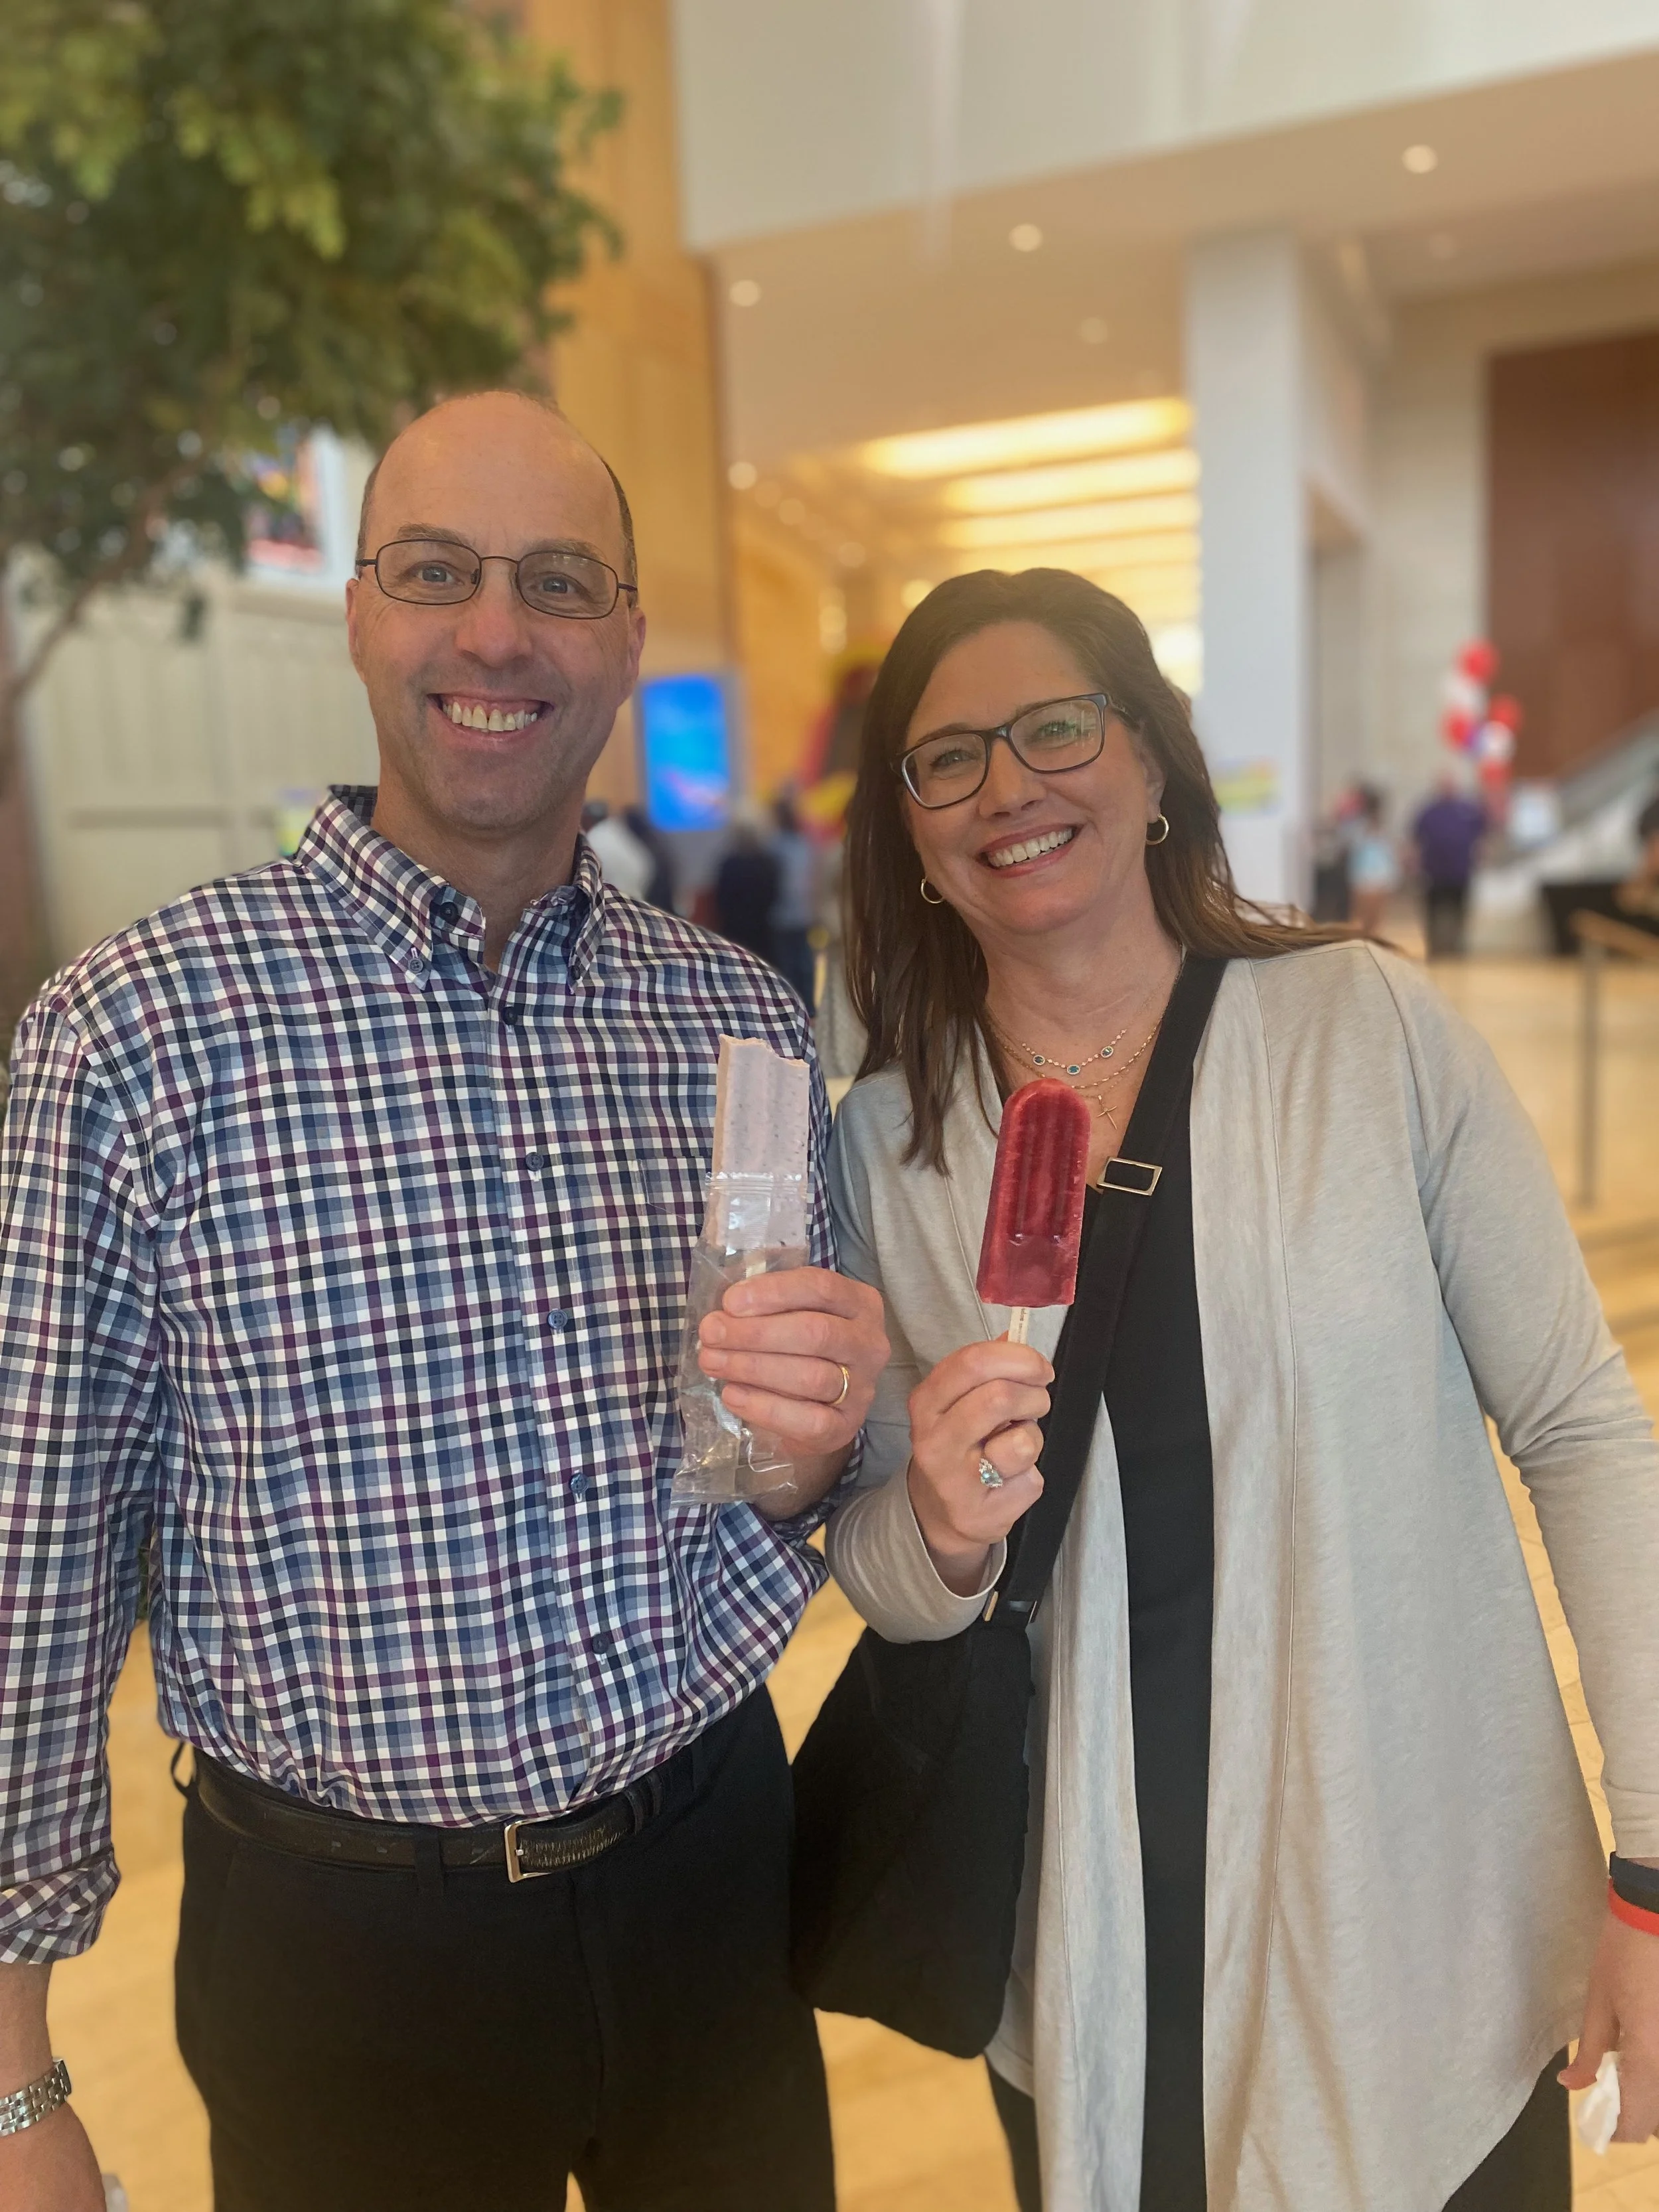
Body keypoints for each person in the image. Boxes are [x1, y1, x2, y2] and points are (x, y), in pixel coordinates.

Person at [0, 390, 889, 2212]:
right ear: (357, 609)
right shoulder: (134, 1037)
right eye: (437, 572)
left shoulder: (729, 1018)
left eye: (558, 581)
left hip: (710, 1879)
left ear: (628, 640)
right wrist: (15, 2079)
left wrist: (813, 1451)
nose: (496, 631)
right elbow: (34, 1566)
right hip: (343, 1956)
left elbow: (769, 1477)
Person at [819, 567, 1659, 2212]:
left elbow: (1578, 1423)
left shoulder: (1366, 1031)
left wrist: (1649, 1864)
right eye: (948, 759)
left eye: (1056, 728)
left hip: (1412, 1927)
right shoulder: (892, 1149)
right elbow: (873, 1566)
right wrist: (937, 1531)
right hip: (1085, 1948)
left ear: (1148, 767)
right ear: (909, 837)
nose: (1009, 786)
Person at [1411, 772, 1488, 957]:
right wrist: (1414, 864)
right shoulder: (1428, 812)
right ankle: (1435, 948)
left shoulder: (1468, 810)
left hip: (1460, 872)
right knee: (1434, 913)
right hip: (1434, 873)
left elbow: (1483, 838)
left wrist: (1482, 856)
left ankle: (1457, 947)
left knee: (1459, 912)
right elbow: (1415, 841)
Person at [768, 792, 821, 1009]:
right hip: (803, 911)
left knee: (788, 966)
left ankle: (793, 1008)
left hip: (782, 914)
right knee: (804, 964)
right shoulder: (803, 844)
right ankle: (808, 1008)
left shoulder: (775, 847)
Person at [712, 809, 782, 966]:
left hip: (734, 935)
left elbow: (721, 902)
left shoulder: (729, 864)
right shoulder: (769, 864)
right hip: (762, 934)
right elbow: (775, 898)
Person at [1346, 780, 1400, 936]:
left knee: (1376, 919)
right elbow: (1350, 845)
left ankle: (1372, 942)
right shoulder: (1356, 826)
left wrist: (1392, 877)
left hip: (1380, 876)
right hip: (1362, 876)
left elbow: (1391, 852)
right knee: (1361, 917)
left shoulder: (1385, 827)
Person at [581, 794, 656, 900]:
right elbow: (646, 867)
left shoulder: (595, 839)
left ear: (586, 818)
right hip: (634, 896)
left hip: (615, 901)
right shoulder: (615, 831)